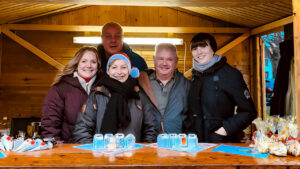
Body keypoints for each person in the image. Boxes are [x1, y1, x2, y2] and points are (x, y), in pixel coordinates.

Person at [183, 33, 257, 143]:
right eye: (194, 48)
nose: (199, 52)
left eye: (203, 46)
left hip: (221, 143)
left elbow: (248, 111)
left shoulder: (230, 74)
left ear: (213, 48)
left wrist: (224, 130)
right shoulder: (194, 77)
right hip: (195, 145)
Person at [73, 53, 158, 143]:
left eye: (123, 67)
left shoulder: (139, 96)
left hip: (133, 154)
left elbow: (151, 129)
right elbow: (82, 130)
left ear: (129, 71)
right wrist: (94, 152)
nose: (119, 72)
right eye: (114, 67)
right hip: (102, 154)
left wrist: (142, 151)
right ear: (108, 71)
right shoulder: (97, 95)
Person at [41, 46, 101, 143]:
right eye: (84, 61)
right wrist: (56, 147)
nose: (89, 65)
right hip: (70, 149)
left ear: (98, 66)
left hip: (100, 150)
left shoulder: (104, 88)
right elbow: (50, 123)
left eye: (93, 62)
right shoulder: (60, 88)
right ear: (77, 63)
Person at [138, 43, 190, 134]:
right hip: (149, 141)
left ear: (176, 61)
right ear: (154, 59)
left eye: (169, 59)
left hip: (178, 142)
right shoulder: (141, 83)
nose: (164, 63)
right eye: (160, 59)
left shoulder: (186, 85)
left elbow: (192, 117)